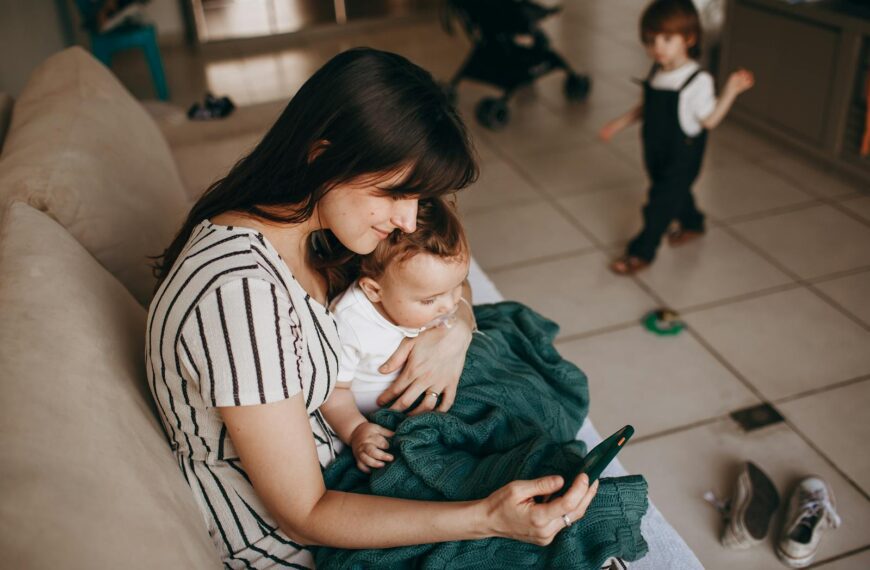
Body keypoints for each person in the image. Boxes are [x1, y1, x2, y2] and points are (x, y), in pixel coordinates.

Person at [147, 47, 598, 568]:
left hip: (360, 465)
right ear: (322, 157)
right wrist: (486, 517)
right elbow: (304, 513)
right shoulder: (239, 296)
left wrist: (455, 328)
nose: (408, 220)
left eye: (418, 198)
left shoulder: (310, 231)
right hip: (305, 539)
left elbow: (449, 286)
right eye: (395, 194)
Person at [599, 0, 755, 274]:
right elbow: (645, 108)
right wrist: (618, 123)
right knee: (672, 191)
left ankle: (641, 252)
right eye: (650, 40)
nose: (657, 47)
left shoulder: (698, 81)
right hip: (655, 151)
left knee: (658, 204)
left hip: (682, 156)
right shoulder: (658, 71)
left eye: (667, 39)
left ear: (689, 38)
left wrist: (731, 90)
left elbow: (710, 120)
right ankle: (693, 223)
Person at [321, 197, 470, 474]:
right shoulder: (351, 322)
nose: (449, 305)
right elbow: (333, 392)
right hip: (385, 416)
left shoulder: (428, 292)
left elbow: (456, 310)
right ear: (374, 291)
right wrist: (356, 431)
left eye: (458, 285)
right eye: (430, 300)